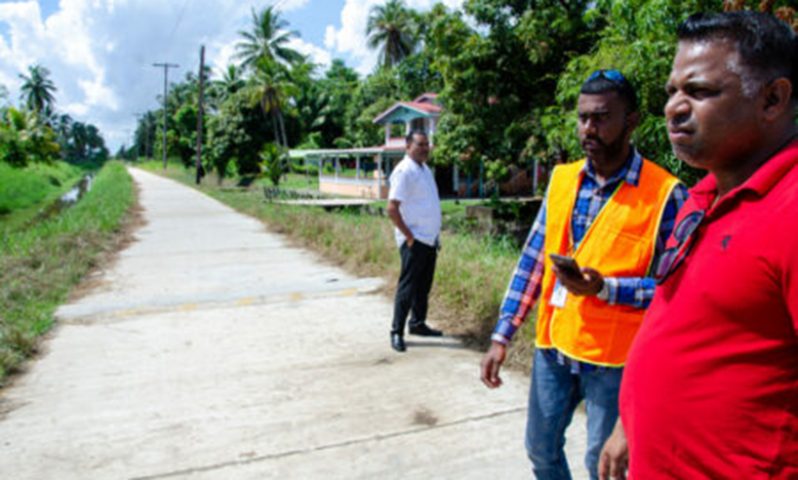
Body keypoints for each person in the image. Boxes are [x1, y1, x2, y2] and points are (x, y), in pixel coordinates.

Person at [600, 11, 798, 480]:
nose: (673, 107)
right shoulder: (701, 196)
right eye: (672, 91)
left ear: (772, 99)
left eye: (700, 91)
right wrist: (630, 422)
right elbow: (675, 318)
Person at [480, 70, 688, 480]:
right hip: (555, 347)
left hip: (615, 360)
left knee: (603, 467)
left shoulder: (666, 194)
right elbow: (533, 262)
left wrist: (606, 289)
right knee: (540, 451)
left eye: (600, 118)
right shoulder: (561, 180)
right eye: (582, 118)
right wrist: (502, 335)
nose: (587, 129)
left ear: (631, 121)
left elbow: (676, 292)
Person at [388, 130, 444, 353]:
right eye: (420, 144)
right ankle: (396, 332)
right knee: (408, 287)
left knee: (423, 286)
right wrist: (409, 236)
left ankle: (418, 323)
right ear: (408, 146)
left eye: (427, 144)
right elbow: (392, 209)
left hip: (429, 239)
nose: (425, 148)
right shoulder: (404, 171)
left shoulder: (424, 169)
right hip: (414, 240)